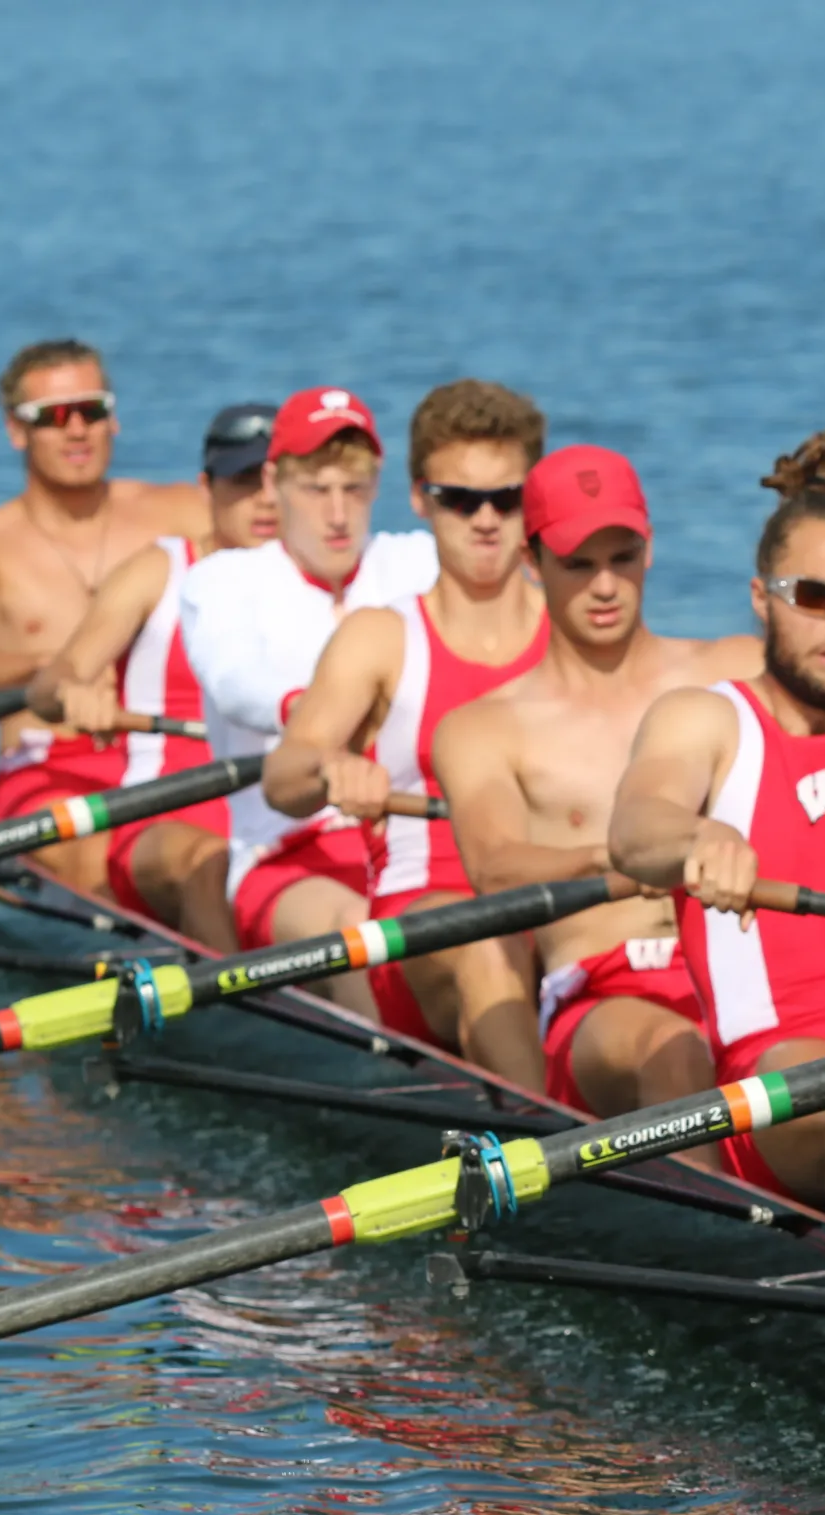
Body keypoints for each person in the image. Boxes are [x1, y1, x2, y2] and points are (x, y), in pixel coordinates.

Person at [609, 431, 825, 1241]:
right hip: (775, 1082)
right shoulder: (709, 720)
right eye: (816, 595)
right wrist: (698, 836)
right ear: (761, 597)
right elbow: (636, 829)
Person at [435, 445, 759, 1116]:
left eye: (622, 557)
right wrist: (620, 857)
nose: (606, 586)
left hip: (741, 972)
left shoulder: (735, 667)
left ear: (651, 549)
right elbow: (495, 866)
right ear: (531, 562)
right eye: (578, 565)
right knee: (677, 1050)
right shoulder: (483, 726)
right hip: (605, 991)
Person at [261, 381, 551, 1079]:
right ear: (421, 499)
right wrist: (330, 769)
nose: (486, 520)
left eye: (506, 498)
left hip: (557, 898)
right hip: (427, 923)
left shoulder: (575, 629)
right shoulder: (382, 638)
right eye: (460, 499)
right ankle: (551, 1135)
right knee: (490, 945)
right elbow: (283, 777)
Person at [178, 386, 435, 1010]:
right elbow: (233, 683)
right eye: (317, 490)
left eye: (355, 489)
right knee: (363, 932)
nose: (338, 514)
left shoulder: (419, 562)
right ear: (274, 483)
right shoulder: (224, 581)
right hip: (283, 853)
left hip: (415, 845)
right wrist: (317, 715)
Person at [0, 339, 206, 885]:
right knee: (112, 856)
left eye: (92, 410)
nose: (78, 430)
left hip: (174, 750)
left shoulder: (183, 512)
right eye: (54, 417)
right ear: (17, 430)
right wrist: (61, 670)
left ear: (113, 419)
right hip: (49, 764)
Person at [24, 403, 281, 947]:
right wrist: (73, 692)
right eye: (243, 481)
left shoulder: (333, 586)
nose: (266, 499)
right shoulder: (159, 571)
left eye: (279, 480)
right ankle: (240, 994)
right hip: (164, 816)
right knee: (210, 863)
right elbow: (52, 682)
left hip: (284, 808)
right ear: (206, 488)